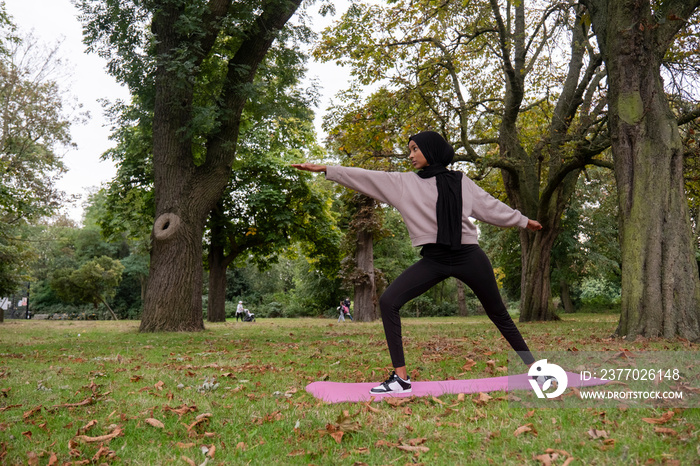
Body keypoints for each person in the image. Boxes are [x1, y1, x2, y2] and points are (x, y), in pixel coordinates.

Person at [292, 131, 542, 395]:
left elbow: (489, 206)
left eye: (414, 149)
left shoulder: (461, 181)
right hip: (434, 258)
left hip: (469, 255)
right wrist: (327, 169)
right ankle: (400, 380)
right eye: (409, 150)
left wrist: (523, 221)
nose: (409, 155)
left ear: (430, 150)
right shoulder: (404, 183)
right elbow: (366, 176)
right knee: (389, 301)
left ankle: (536, 370)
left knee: (499, 313)